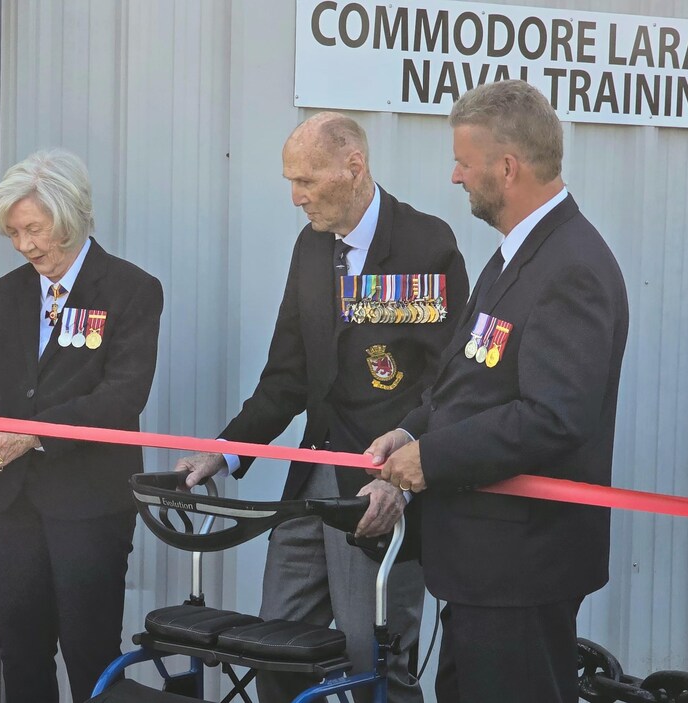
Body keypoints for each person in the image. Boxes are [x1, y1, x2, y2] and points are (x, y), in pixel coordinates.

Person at [176, 112, 467, 703]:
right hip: (310, 483)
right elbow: (286, 376)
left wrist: (404, 468)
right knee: (277, 653)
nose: (294, 197)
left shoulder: (425, 243)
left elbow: (448, 381)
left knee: (374, 667)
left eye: (305, 181)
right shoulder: (311, 248)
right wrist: (226, 451)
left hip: (378, 494)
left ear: (352, 166)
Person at [368, 80, 629, 703]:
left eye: (464, 161)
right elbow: (466, 377)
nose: (455, 176)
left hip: (521, 566)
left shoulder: (572, 267)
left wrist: (429, 459)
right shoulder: (516, 256)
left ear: (507, 168)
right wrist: (410, 430)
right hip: (481, 565)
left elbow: (553, 416)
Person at [0, 149, 163, 703]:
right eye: (14, 233)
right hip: (9, 503)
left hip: (88, 503)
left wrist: (31, 433)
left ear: (73, 215)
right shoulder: (8, 293)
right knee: (21, 650)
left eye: (35, 229)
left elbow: (122, 398)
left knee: (90, 652)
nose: (27, 245)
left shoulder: (130, 289)